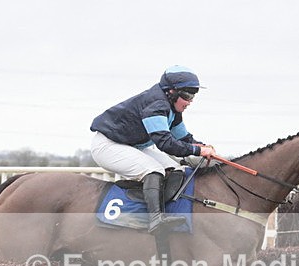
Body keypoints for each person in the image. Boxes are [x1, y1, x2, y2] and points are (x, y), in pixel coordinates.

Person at [90, 65, 217, 234]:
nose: (190, 101)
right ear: (171, 92)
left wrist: (202, 146)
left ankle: (158, 209)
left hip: (128, 145)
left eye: (193, 96)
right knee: (154, 170)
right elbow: (165, 143)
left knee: (175, 169)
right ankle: (155, 219)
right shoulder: (156, 105)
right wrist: (198, 151)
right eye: (187, 96)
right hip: (107, 145)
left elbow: (183, 138)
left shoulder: (173, 108)